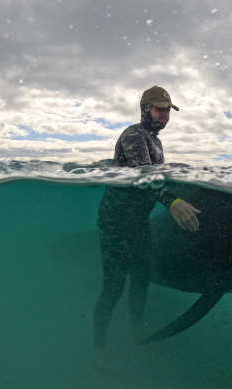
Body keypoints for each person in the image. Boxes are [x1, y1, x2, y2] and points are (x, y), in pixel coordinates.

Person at [93, 86, 200, 364]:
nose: (164, 115)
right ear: (145, 109)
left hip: (137, 221)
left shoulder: (156, 141)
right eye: (159, 109)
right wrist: (172, 201)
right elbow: (143, 178)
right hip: (115, 221)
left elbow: (155, 177)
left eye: (167, 110)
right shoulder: (134, 135)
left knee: (141, 278)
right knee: (114, 286)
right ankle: (98, 348)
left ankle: (134, 331)